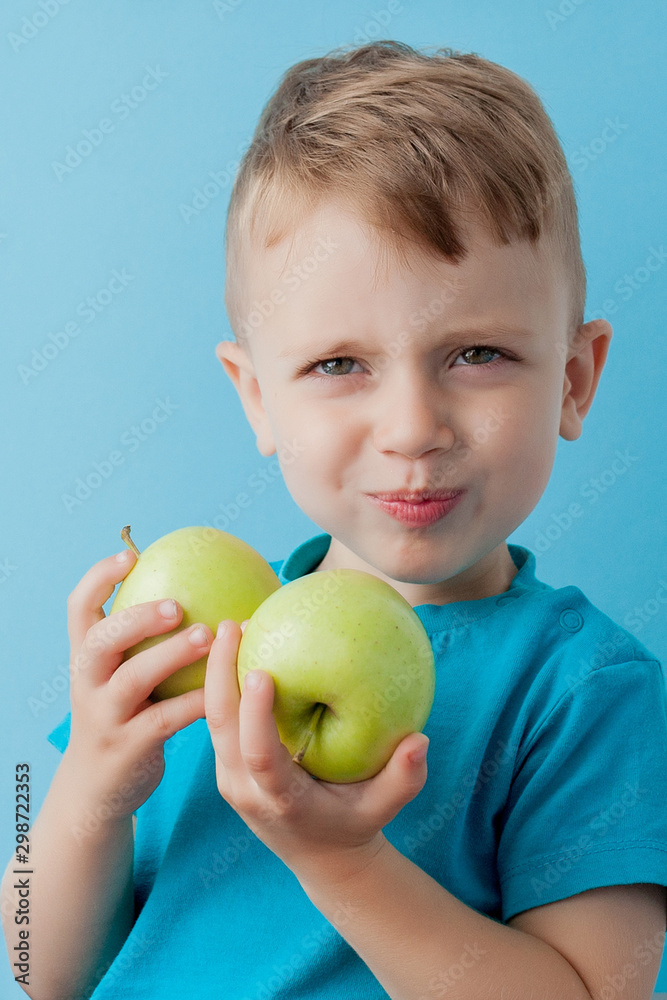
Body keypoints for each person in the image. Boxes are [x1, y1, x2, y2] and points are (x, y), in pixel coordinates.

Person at [3, 39, 667, 1000]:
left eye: (477, 354)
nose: (412, 428)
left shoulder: (582, 690)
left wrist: (340, 860)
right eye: (338, 365)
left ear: (572, 379)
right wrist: (89, 791)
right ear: (257, 398)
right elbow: (37, 967)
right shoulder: (192, 643)